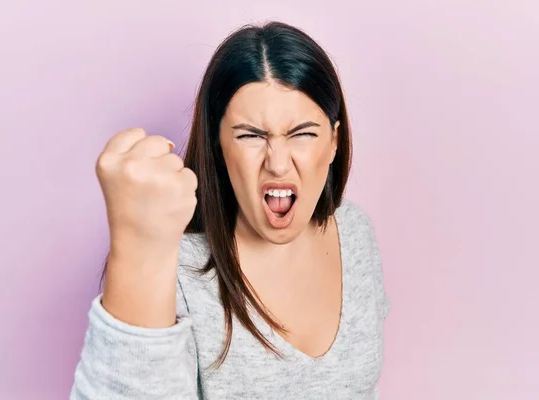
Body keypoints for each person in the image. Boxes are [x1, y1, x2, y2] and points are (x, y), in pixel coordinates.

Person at [70, 21, 390, 399]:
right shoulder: (176, 270)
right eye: (251, 136)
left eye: (303, 133)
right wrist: (139, 246)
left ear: (334, 142)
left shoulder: (354, 232)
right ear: (219, 145)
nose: (278, 163)